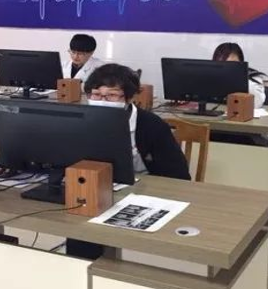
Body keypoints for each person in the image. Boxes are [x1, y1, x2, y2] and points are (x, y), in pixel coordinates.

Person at [66, 64, 190, 260]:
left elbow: (179, 176)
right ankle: (83, 267)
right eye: (96, 94)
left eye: (112, 95)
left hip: (143, 193)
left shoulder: (152, 125)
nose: (102, 101)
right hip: (96, 190)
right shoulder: (81, 120)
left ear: (129, 97)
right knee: (79, 220)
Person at [212, 43, 266, 109]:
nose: (228, 67)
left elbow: (256, 104)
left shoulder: (253, 78)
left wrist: (240, 80)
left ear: (241, 63)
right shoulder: (211, 76)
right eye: (223, 63)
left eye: (232, 63)